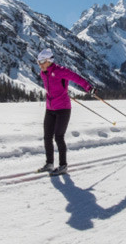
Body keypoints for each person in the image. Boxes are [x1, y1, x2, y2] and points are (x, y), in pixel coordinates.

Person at [36, 48, 95, 176]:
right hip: (50, 108)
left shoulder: (60, 71)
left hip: (63, 109)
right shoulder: (43, 73)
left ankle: (63, 166)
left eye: (41, 62)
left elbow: (76, 78)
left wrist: (88, 87)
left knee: (58, 137)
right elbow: (53, 88)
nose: (39, 65)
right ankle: (49, 163)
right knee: (47, 137)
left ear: (49, 61)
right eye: (38, 62)